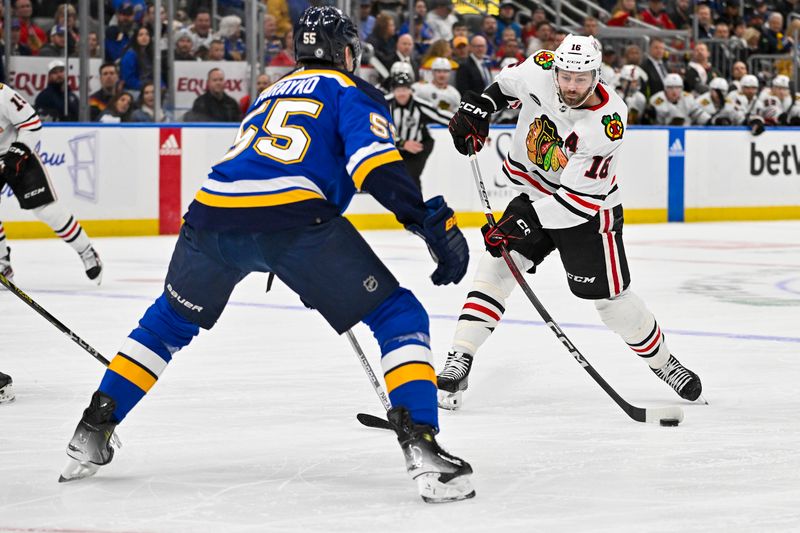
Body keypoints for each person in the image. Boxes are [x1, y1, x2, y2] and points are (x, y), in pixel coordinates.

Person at [59, 6, 473, 504]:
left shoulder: (266, 94)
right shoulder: (351, 92)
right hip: (293, 224)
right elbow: (375, 167)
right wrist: (424, 221)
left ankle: (92, 429)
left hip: (209, 218)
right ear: (346, 51)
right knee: (398, 314)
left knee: (164, 325)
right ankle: (424, 447)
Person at [441, 35, 703, 410]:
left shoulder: (608, 121)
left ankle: (664, 364)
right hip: (535, 193)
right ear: (556, 69)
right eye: (566, 76)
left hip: (589, 213)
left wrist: (520, 227)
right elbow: (505, 86)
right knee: (497, 266)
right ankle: (460, 357)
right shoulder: (541, 68)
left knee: (611, 304)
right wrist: (481, 107)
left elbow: (577, 203)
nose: (571, 86)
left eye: (582, 79)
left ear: (597, 75)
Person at [0, 83, 103, 284]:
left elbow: (31, 123)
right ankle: (3, 264)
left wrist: (17, 153)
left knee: (47, 210)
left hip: (17, 153)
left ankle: (86, 251)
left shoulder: (2, 94)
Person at [386, 69, 451, 190]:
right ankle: (402, 207)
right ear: (393, 91)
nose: (402, 93)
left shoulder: (420, 105)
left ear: (411, 90)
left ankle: (416, 208)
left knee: (411, 177)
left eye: (405, 89)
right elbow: (378, 129)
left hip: (418, 146)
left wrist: (464, 123)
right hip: (393, 147)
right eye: (398, 90)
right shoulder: (384, 105)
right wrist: (402, 143)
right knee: (394, 179)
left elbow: (440, 116)